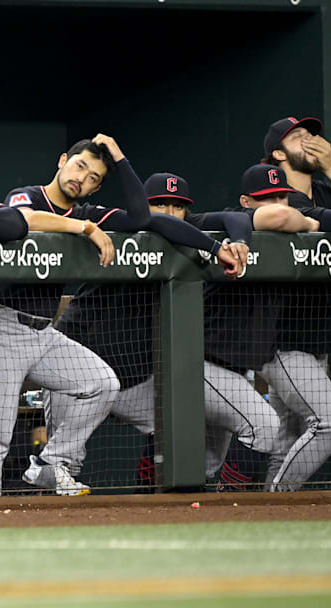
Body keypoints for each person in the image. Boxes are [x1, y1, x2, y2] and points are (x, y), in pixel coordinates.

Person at [0, 134, 160, 498]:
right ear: (63, 159)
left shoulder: (85, 211)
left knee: (102, 384)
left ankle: (52, 462)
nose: (82, 178)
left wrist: (118, 156)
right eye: (80, 165)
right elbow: (24, 219)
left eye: (94, 177)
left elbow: (142, 216)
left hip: (42, 334)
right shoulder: (30, 194)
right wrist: (85, 228)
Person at [57, 172, 274, 491]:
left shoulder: (188, 231)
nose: (169, 214)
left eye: (177, 207)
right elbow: (68, 328)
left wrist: (240, 242)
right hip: (83, 374)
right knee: (58, 464)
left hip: (138, 383)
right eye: (159, 205)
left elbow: (234, 218)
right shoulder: (125, 228)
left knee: (181, 431)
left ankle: (153, 502)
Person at [209, 164, 331, 491]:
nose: (279, 203)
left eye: (282, 195)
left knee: (289, 436)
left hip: (312, 345)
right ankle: (280, 497)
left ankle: (272, 510)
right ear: (247, 200)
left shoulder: (299, 210)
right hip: (276, 345)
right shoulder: (236, 219)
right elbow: (278, 219)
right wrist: (307, 222)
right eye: (267, 198)